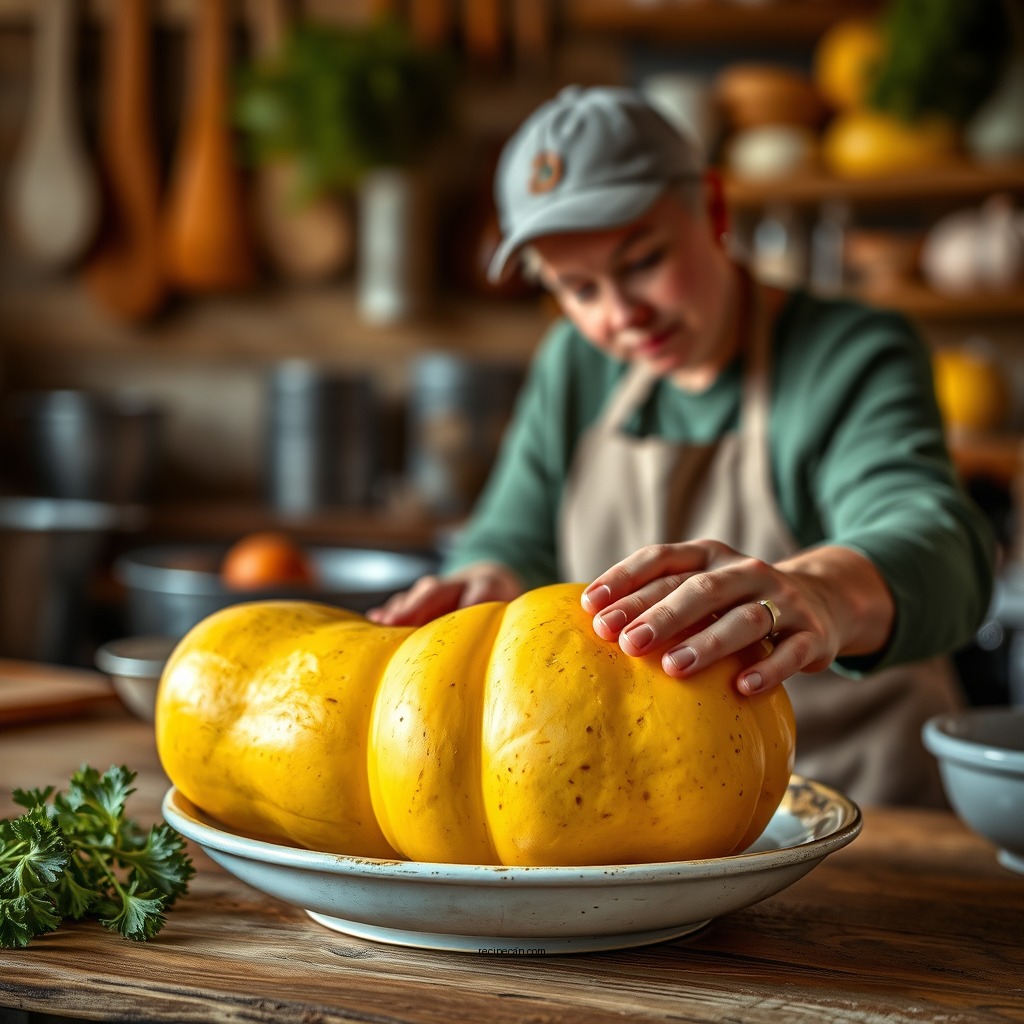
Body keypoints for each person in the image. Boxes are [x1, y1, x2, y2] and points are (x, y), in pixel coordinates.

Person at [369, 85, 996, 808]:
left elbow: (941, 544)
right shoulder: (575, 363)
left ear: (715, 211)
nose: (621, 315)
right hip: (655, 821)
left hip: (868, 811)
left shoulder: (852, 352)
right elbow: (511, 534)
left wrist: (823, 595)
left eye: (643, 261)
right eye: (578, 289)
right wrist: (484, 579)